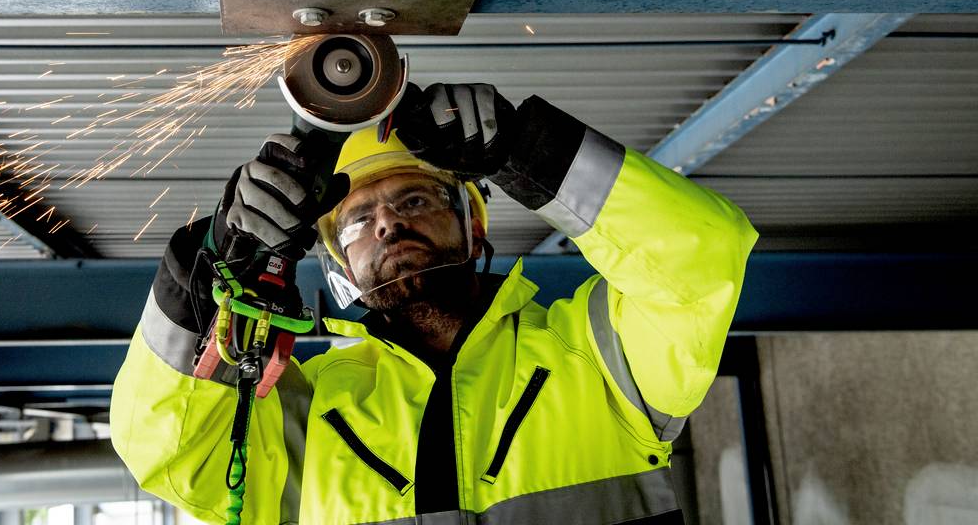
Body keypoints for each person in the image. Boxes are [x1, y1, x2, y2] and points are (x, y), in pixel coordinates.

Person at [111, 83, 757, 524]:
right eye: (358, 220)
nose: (387, 224)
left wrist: (526, 151)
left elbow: (700, 260)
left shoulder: (597, 360)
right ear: (336, 263)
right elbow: (165, 451)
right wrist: (212, 267)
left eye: (415, 200)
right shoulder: (305, 424)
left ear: (475, 227)